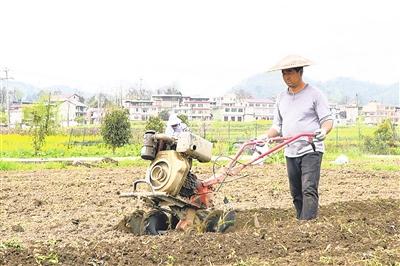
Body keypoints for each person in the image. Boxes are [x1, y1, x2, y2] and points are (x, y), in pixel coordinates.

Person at [263, 55, 333, 220]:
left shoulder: (315, 94)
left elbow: (327, 120)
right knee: (296, 192)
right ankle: (301, 224)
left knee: (308, 188)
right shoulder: (281, 98)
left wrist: (324, 131)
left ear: (300, 72)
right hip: (290, 151)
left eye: (290, 72)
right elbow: (277, 126)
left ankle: (307, 224)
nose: (287, 77)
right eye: (284, 73)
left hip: (311, 149)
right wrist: (265, 137)